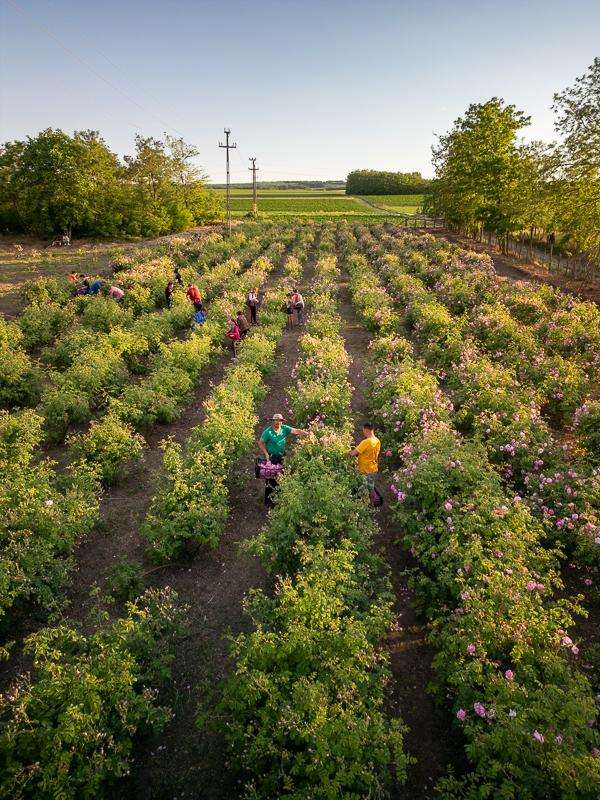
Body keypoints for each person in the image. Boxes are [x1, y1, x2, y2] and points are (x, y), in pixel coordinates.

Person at [258, 413, 309, 507]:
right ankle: (269, 502)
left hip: (281, 457)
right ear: (272, 421)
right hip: (272, 457)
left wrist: (307, 433)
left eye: (279, 420)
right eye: (275, 420)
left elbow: (296, 431)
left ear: (282, 422)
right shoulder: (268, 432)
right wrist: (266, 454)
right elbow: (261, 443)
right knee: (270, 479)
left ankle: (278, 500)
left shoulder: (284, 428)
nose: (277, 422)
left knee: (280, 478)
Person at [348, 422, 381, 494]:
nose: (363, 433)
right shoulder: (377, 441)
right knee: (370, 488)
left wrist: (346, 454)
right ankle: (371, 502)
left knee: (364, 491)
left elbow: (353, 453)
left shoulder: (366, 442)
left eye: (363, 431)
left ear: (366, 430)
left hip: (365, 470)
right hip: (373, 469)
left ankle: (368, 503)